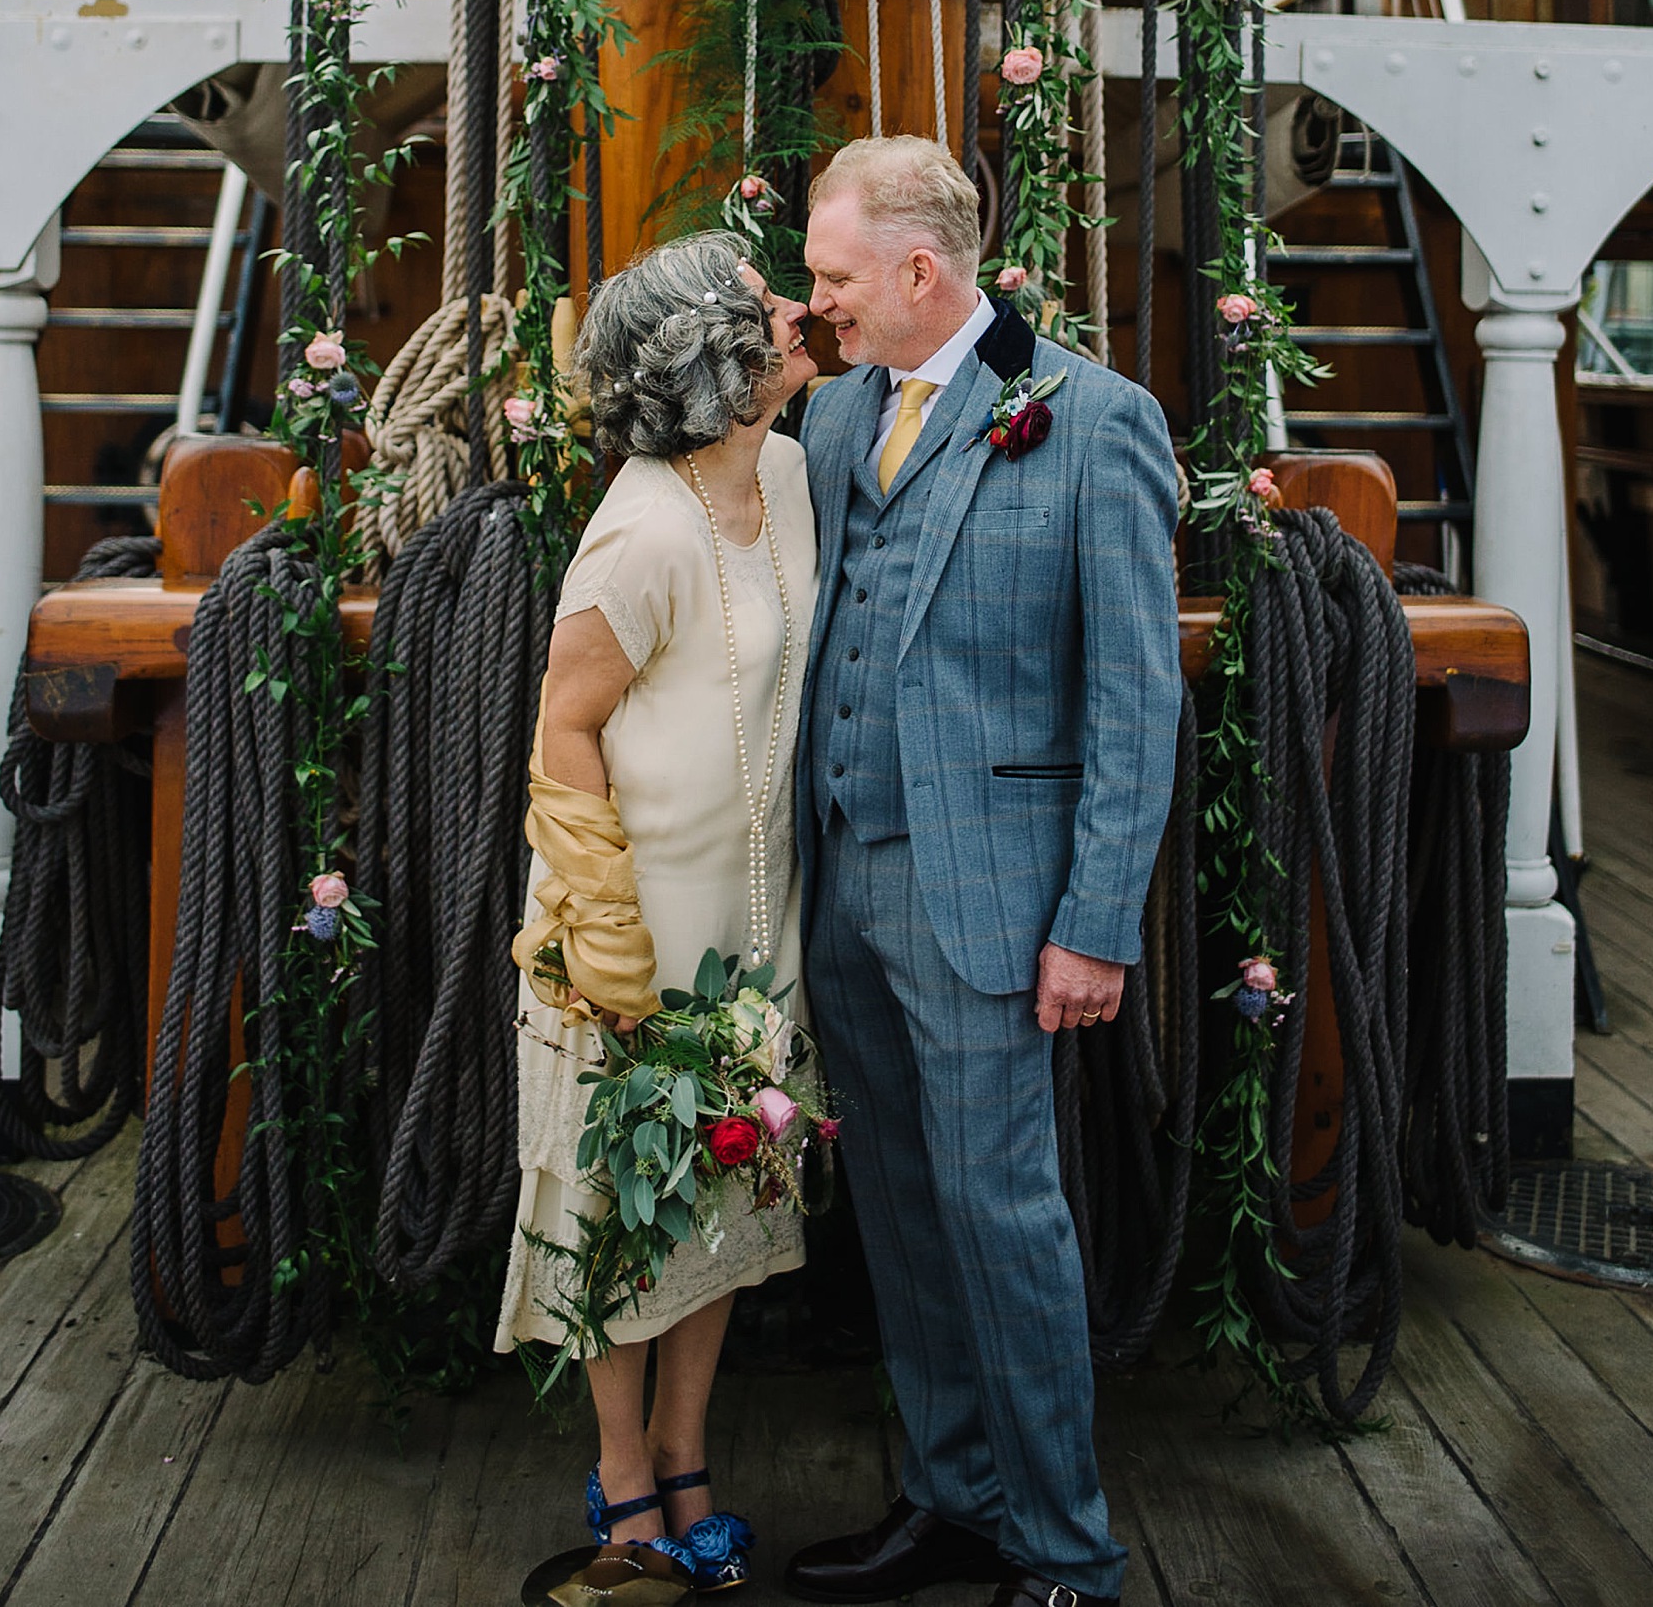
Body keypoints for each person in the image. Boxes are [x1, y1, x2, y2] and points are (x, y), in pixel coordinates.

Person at [783, 136, 1180, 1607]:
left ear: (920, 272)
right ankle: (954, 1498)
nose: (813, 301)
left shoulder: (1093, 419)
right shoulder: (832, 420)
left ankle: (1066, 1550)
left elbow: (1138, 698)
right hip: (847, 885)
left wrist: (1096, 923)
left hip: (996, 905)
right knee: (894, 1203)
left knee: (1002, 1215)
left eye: (831, 278)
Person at [498, 232, 818, 1607]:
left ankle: (691, 1454)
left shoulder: (793, 474)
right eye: (767, 306)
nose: (798, 311)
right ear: (715, 363)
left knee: (724, 1197)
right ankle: (627, 1481)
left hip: (760, 926)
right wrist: (608, 945)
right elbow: (562, 729)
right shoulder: (638, 529)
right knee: (621, 1216)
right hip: (633, 932)